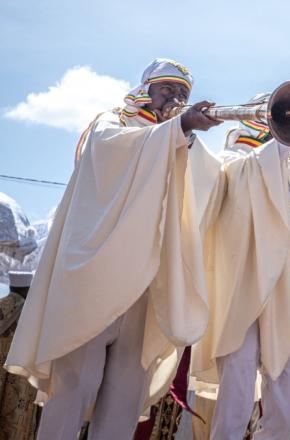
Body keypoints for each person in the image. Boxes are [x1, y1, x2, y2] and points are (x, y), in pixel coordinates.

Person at [5, 59, 223, 439]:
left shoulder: (180, 140)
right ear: (147, 88)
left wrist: (185, 135)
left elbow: (206, 186)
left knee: (125, 394)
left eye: (182, 93)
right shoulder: (113, 125)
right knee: (76, 385)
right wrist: (180, 128)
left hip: (145, 285)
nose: (175, 97)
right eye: (168, 88)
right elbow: (110, 154)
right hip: (97, 277)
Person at [190, 95, 290, 439]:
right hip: (244, 298)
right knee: (236, 403)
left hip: (287, 300)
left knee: (287, 408)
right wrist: (284, 144)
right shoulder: (235, 160)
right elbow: (228, 181)